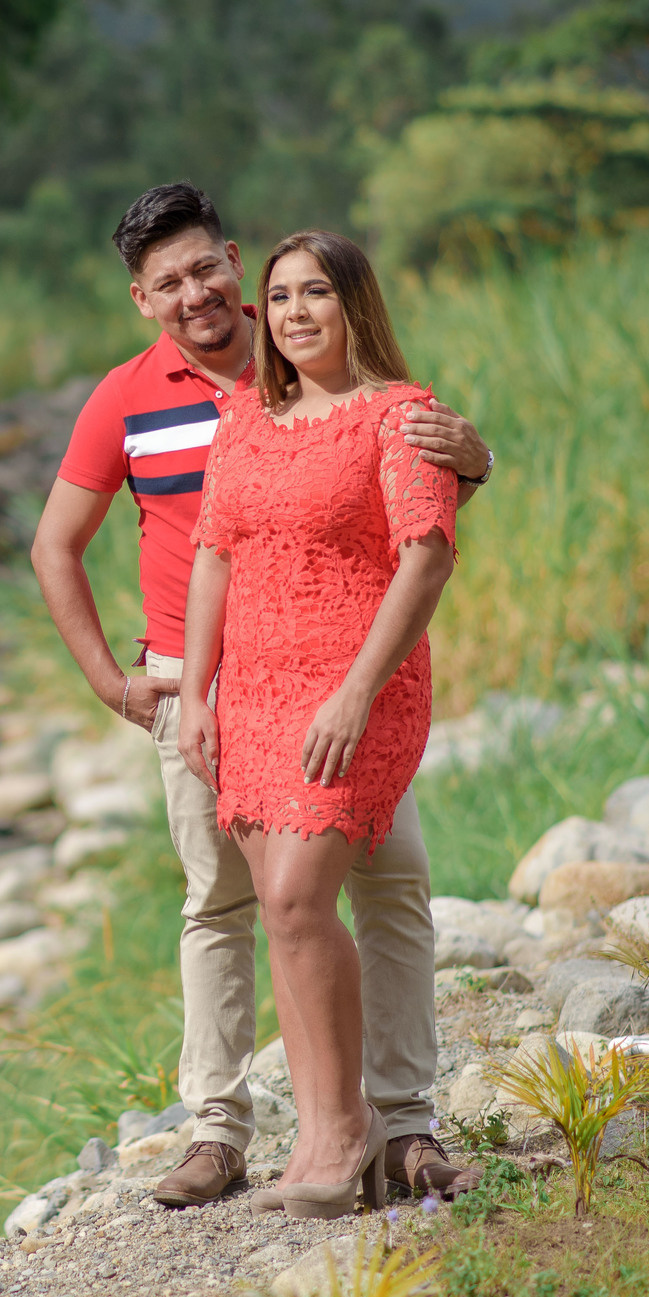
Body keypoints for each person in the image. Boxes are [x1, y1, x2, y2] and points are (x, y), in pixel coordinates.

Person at [30, 184, 491, 1211]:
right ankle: (219, 1128)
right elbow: (67, 546)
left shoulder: (322, 369)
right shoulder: (126, 396)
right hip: (209, 690)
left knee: (388, 886)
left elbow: (419, 494)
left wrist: (480, 459)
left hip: (338, 682)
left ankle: (397, 1124)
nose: (195, 294)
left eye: (206, 271)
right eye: (166, 283)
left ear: (234, 266)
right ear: (140, 298)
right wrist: (124, 683)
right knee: (226, 902)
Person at [174, 227, 457, 1218]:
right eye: (281, 295)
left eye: (316, 294)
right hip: (249, 689)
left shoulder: (401, 414)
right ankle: (326, 1126)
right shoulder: (245, 416)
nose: (294, 312)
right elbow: (213, 554)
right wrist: (198, 694)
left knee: (296, 899)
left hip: (356, 690)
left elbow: (424, 556)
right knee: (286, 914)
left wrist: (353, 691)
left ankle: (346, 1126)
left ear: (354, 305)